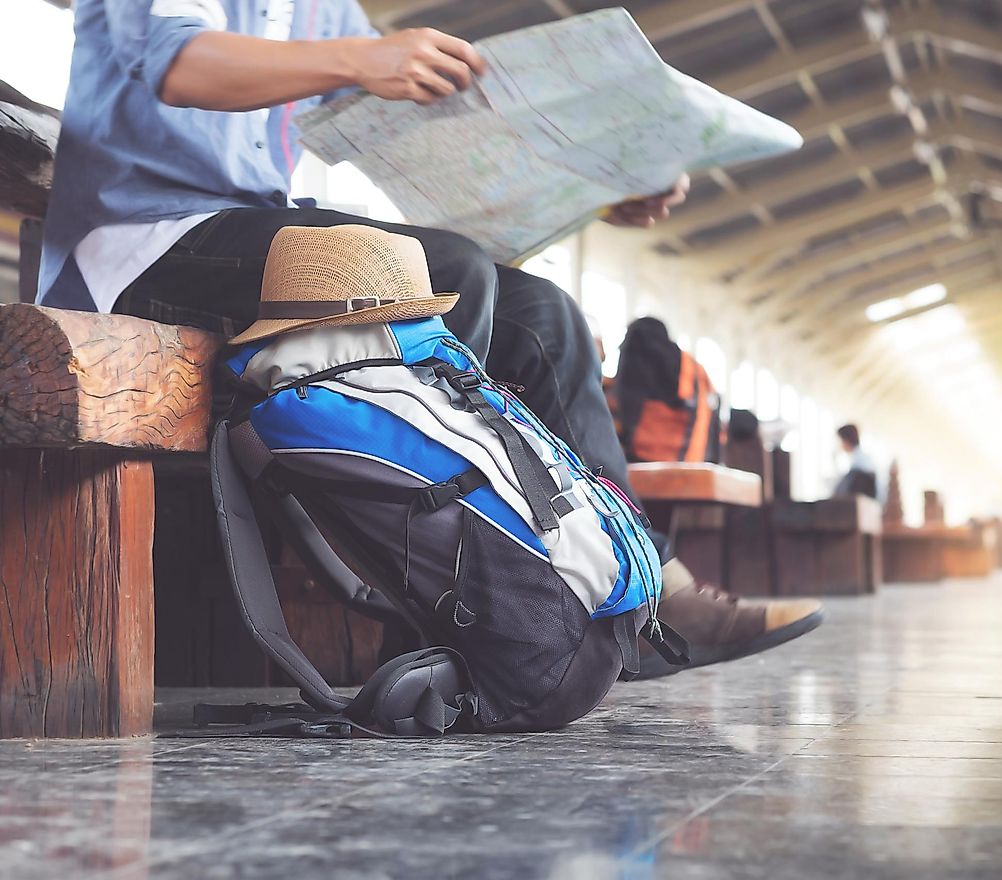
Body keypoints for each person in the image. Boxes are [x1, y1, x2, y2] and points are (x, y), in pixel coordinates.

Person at [39, 0, 822, 679]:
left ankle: (648, 598)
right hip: (143, 239)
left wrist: (598, 179)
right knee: (445, 270)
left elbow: (409, 124)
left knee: (547, 317)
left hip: (251, 231)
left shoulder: (330, 13)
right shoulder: (339, 33)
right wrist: (365, 55)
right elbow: (180, 64)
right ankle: (454, 606)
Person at [614, 317, 721, 464]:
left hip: (642, 463)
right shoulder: (693, 368)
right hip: (694, 461)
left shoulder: (637, 352)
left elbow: (627, 410)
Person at [832, 424, 879, 499]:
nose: (838, 444)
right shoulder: (862, 458)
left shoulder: (859, 462)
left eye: (839, 441)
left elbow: (844, 490)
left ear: (845, 441)